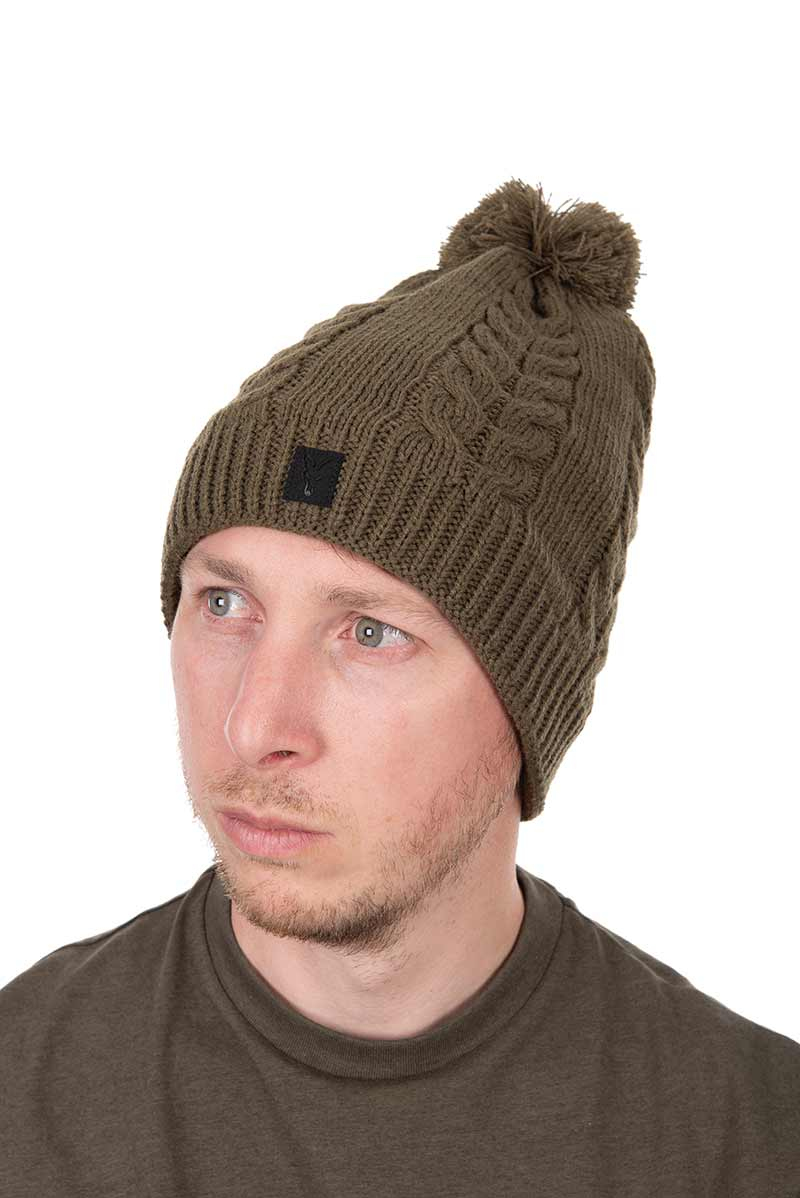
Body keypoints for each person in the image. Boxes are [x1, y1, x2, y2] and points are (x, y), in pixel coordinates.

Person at [2, 178, 798, 1196]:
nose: (253, 724)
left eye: (370, 633)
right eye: (224, 604)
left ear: (528, 701)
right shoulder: (21, 1098)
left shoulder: (749, 1141)